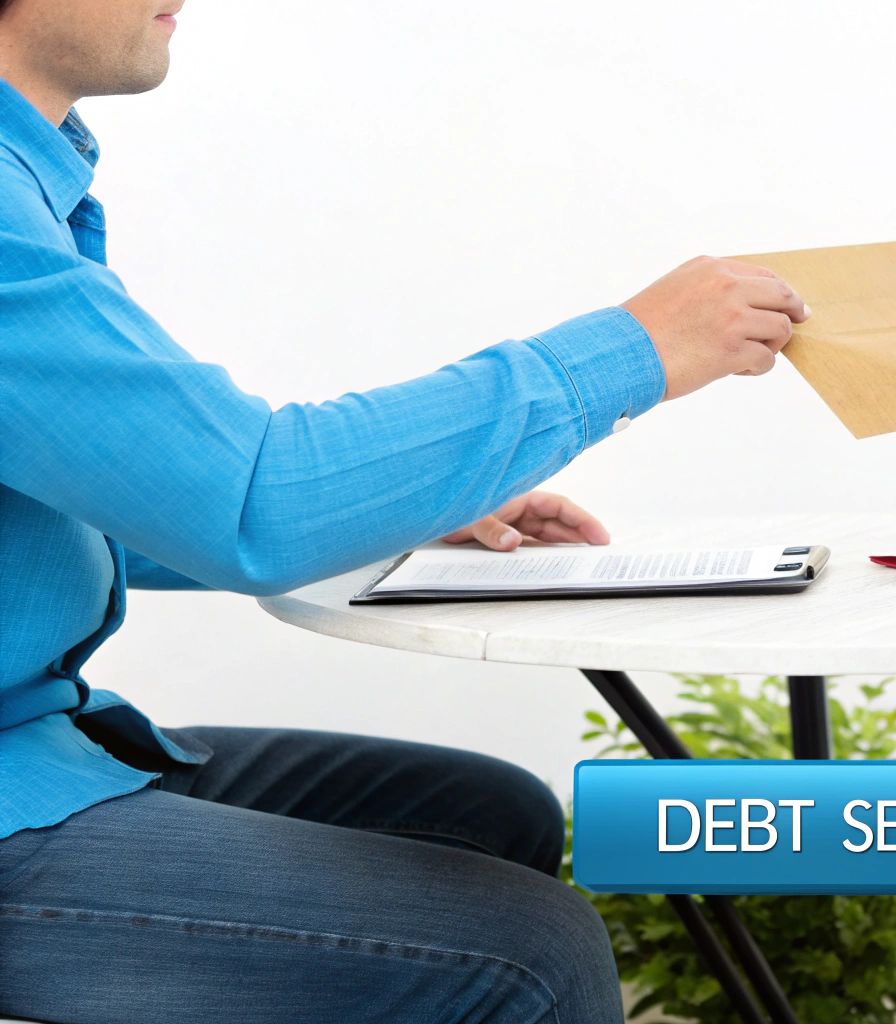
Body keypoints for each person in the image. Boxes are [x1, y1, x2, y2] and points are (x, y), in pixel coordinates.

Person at [0, 1, 808, 1021]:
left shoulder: (31, 183)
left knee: (482, 814)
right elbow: (253, 497)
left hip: (38, 742)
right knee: (528, 951)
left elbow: (107, 490)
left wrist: (392, 508)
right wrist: (633, 349)